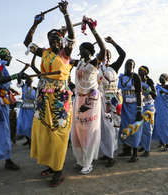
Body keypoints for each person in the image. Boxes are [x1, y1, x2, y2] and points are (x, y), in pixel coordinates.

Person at [23, 0, 75, 187]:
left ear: (62, 41)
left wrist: (66, 13)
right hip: (43, 97)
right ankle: (51, 165)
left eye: (57, 39)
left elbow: (72, 37)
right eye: (52, 39)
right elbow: (27, 42)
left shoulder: (65, 54)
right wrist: (36, 23)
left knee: (58, 132)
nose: (55, 41)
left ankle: (59, 171)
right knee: (43, 130)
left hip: (60, 100)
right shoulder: (44, 52)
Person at [71, 16, 106, 174]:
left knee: (89, 129)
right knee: (78, 129)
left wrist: (93, 30)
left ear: (90, 52)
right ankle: (80, 159)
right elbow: (64, 56)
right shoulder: (78, 63)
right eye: (80, 51)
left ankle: (89, 161)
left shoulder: (93, 63)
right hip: (78, 99)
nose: (81, 53)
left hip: (90, 101)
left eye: (84, 51)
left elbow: (103, 50)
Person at [97, 36, 125, 167]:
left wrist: (113, 42)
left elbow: (123, 54)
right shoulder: (96, 68)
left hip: (112, 100)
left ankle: (111, 156)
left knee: (111, 128)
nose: (105, 55)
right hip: (99, 99)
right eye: (103, 53)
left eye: (108, 53)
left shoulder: (114, 67)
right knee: (102, 127)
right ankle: (106, 152)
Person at [118, 59, 143, 162]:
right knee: (124, 128)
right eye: (127, 64)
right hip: (124, 107)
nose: (129, 66)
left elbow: (139, 94)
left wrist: (139, 111)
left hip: (133, 107)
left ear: (133, 66)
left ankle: (135, 153)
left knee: (135, 129)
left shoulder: (136, 77)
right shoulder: (121, 77)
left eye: (131, 65)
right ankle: (127, 149)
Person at [152, 73, 168, 152]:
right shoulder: (157, 87)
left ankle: (167, 145)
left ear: (166, 79)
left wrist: (166, 93)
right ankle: (162, 142)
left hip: (166, 110)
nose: (160, 78)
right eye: (160, 77)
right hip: (158, 109)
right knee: (159, 126)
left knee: (166, 126)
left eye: (162, 77)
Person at [138, 66, 157, 156]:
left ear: (146, 73)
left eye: (141, 71)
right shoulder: (136, 80)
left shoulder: (149, 81)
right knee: (140, 126)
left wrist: (148, 90)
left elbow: (155, 94)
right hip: (140, 104)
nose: (139, 71)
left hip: (149, 105)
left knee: (147, 127)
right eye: (138, 70)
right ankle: (143, 145)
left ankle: (147, 149)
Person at [17, 77, 36, 148]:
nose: (27, 81)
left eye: (29, 80)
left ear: (32, 81)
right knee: (22, 124)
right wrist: (24, 70)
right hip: (24, 109)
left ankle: (31, 140)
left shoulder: (34, 89)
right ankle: (28, 139)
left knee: (30, 125)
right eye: (26, 79)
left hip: (31, 109)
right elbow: (19, 79)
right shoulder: (23, 87)